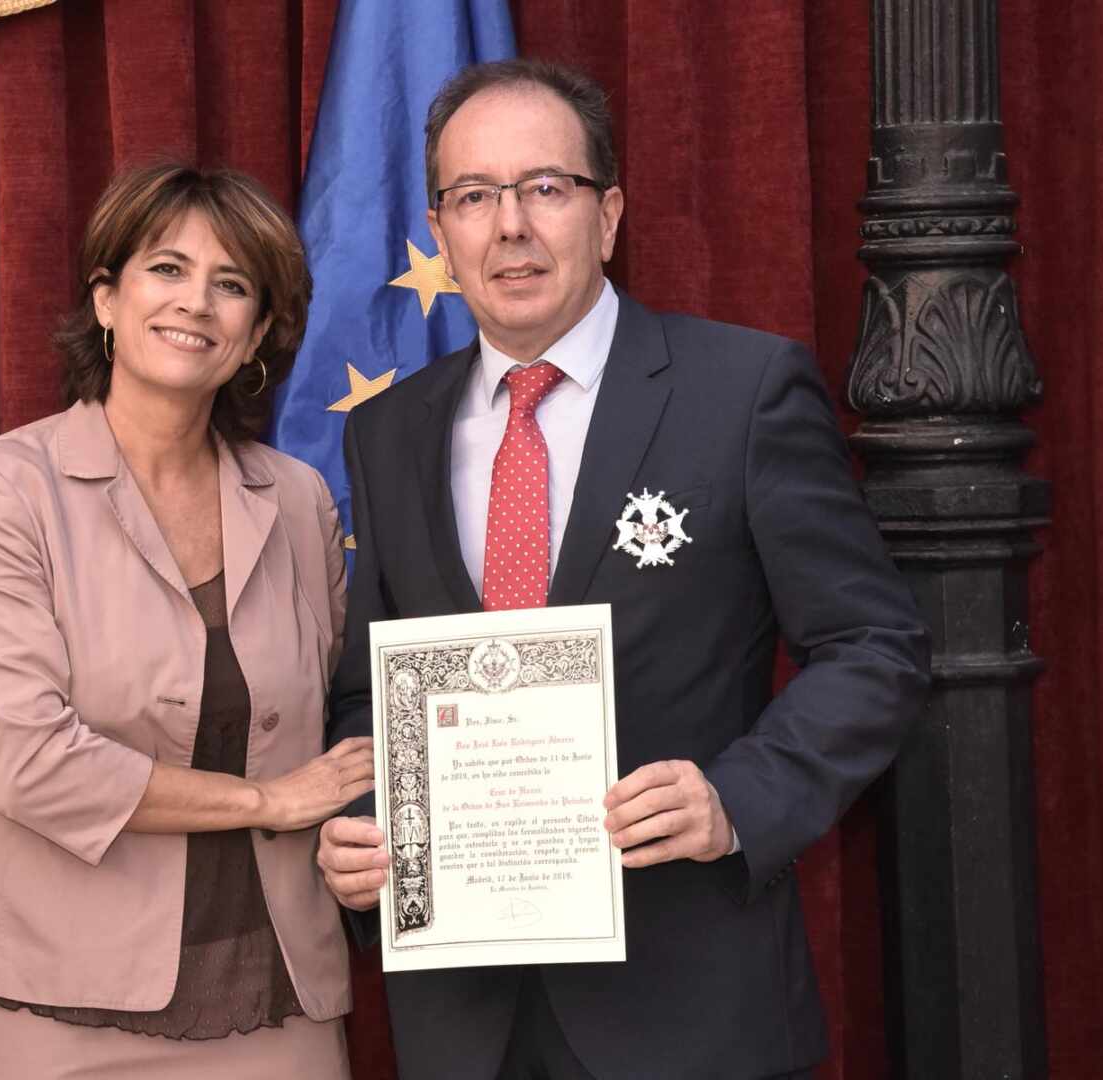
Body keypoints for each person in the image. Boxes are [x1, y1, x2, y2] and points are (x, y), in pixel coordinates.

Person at [317, 60, 931, 1080]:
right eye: (475, 196)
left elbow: (874, 646)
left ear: (608, 215)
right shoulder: (387, 432)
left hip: (688, 1009)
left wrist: (734, 799)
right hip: (466, 1024)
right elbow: (363, 694)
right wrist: (355, 829)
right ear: (440, 230)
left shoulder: (741, 391)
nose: (509, 225)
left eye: (545, 188)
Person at [0, 162, 372, 1079]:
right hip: (46, 996)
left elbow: (340, 712)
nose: (196, 303)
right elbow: (29, 762)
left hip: (275, 995)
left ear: (259, 336)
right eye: (167, 269)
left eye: (231, 285)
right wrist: (267, 802)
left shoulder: (297, 498)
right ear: (107, 299)